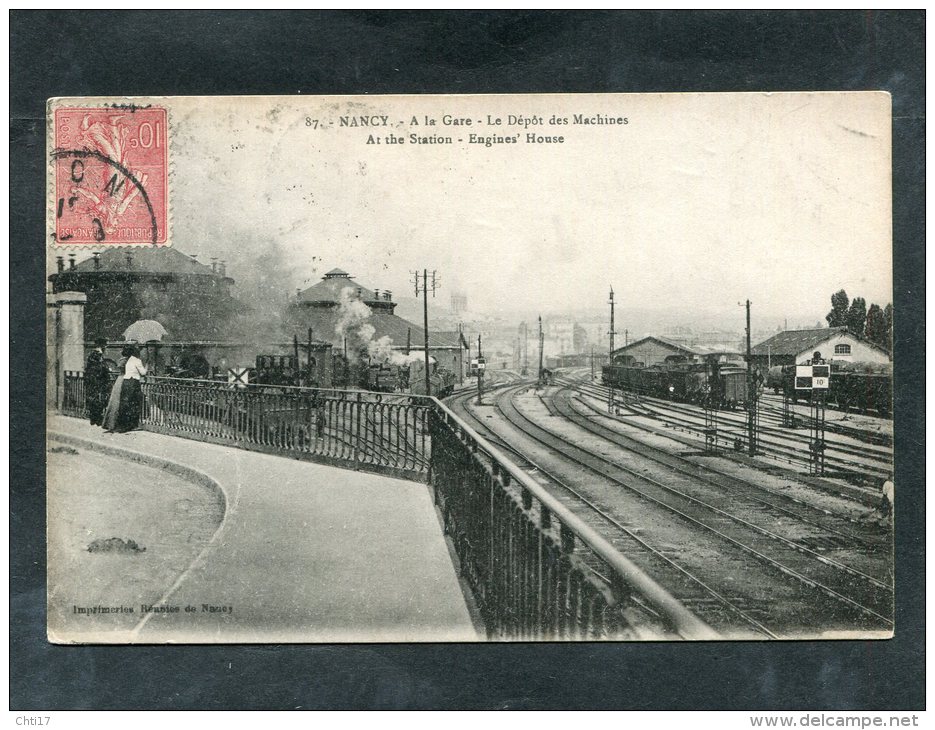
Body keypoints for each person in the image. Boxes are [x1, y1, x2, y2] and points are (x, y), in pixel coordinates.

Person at [113, 345, 147, 432]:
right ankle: (133, 425)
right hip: (134, 383)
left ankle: (121, 425)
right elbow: (143, 373)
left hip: (126, 382)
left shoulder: (128, 360)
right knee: (134, 404)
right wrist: (147, 366)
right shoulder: (137, 360)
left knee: (125, 404)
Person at [84, 338, 111, 426]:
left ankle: (94, 418)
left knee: (94, 399)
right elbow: (100, 368)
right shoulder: (97, 355)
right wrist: (107, 369)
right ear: (102, 345)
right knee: (98, 399)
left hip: (93, 381)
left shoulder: (93, 354)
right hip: (97, 381)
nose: (106, 347)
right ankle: (97, 418)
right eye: (105, 345)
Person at [101, 347, 129, 432]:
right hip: (124, 380)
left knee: (114, 402)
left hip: (119, 380)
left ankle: (110, 423)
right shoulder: (128, 361)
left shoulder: (121, 360)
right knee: (120, 402)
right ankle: (117, 424)